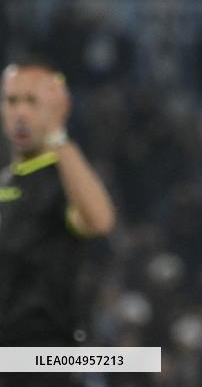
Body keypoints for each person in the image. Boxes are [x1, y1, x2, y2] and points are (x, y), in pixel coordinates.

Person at [0, 62, 116, 352]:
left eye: (33, 101)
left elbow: (100, 220)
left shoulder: (62, 178)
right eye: (12, 100)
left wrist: (57, 137)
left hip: (42, 355)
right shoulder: (6, 179)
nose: (21, 113)